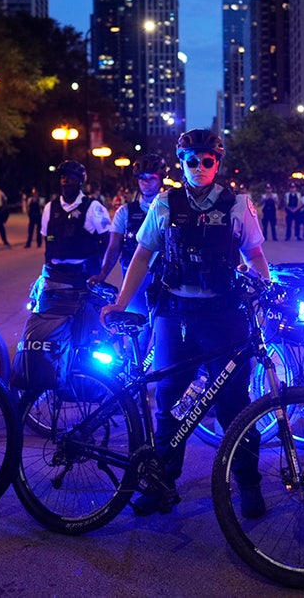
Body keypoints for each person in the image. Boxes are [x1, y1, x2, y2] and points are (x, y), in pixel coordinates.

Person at [99, 128, 268, 518]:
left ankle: (248, 483)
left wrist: (267, 288)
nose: (199, 167)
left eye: (207, 160)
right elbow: (141, 256)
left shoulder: (237, 204)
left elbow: (256, 254)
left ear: (218, 163)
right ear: (182, 163)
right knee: (167, 400)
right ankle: (161, 483)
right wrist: (121, 302)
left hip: (224, 315)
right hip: (174, 315)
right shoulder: (164, 204)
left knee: (234, 404)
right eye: (191, 161)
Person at [93, 152, 166, 321]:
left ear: (161, 179)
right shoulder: (125, 212)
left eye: (152, 178)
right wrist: (102, 275)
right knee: (138, 334)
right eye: (142, 178)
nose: (146, 183)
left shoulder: (170, 209)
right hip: (135, 283)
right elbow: (114, 247)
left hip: (166, 282)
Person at [37, 159, 111, 297]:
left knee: (89, 316)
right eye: (63, 176)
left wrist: (101, 268)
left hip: (84, 274)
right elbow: (47, 239)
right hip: (55, 275)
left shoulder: (93, 207)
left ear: (80, 181)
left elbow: (108, 240)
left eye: (71, 177)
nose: (66, 180)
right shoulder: (50, 208)